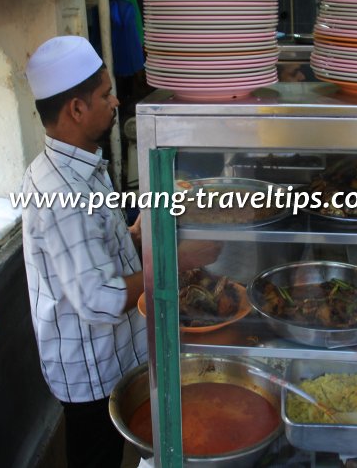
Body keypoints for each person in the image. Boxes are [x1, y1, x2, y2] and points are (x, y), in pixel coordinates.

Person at [21, 36, 219, 468]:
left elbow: (97, 253)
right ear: (76, 109)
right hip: (91, 370)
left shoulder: (81, 165)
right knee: (96, 457)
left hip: (114, 352)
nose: (115, 103)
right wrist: (180, 259)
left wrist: (135, 234)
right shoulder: (60, 192)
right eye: (105, 95)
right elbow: (101, 297)